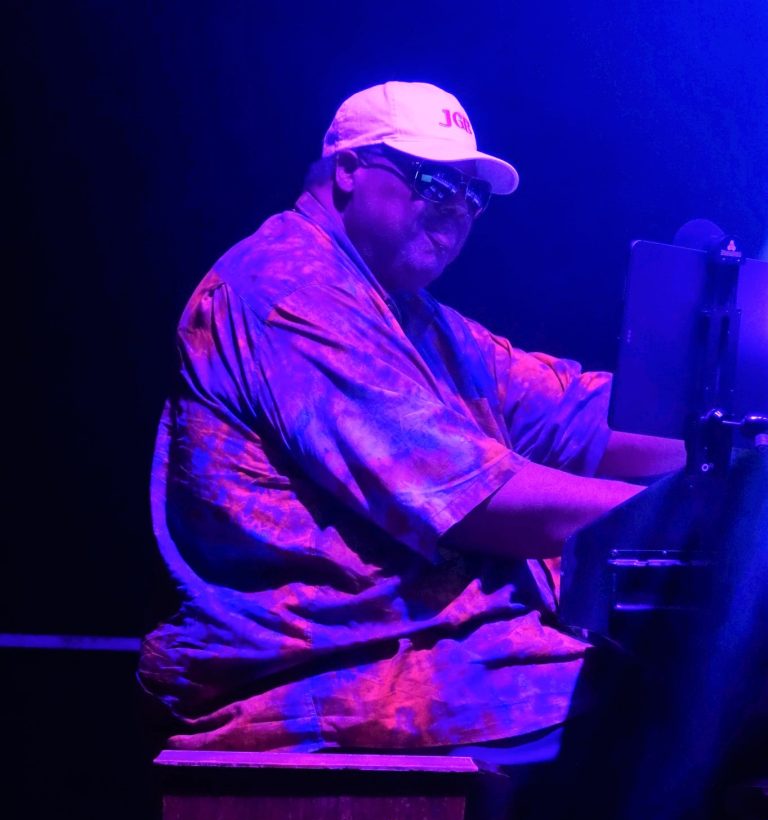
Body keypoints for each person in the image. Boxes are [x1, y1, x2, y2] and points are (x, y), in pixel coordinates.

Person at [139, 81, 683, 757]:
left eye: (472, 195)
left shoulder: (408, 313)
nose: (457, 210)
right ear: (347, 170)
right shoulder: (286, 288)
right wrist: (687, 514)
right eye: (434, 181)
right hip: (328, 669)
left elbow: (573, 412)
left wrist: (726, 419)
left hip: (432, 647)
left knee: (696, 682)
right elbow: (474, 499)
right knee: (687, 707)